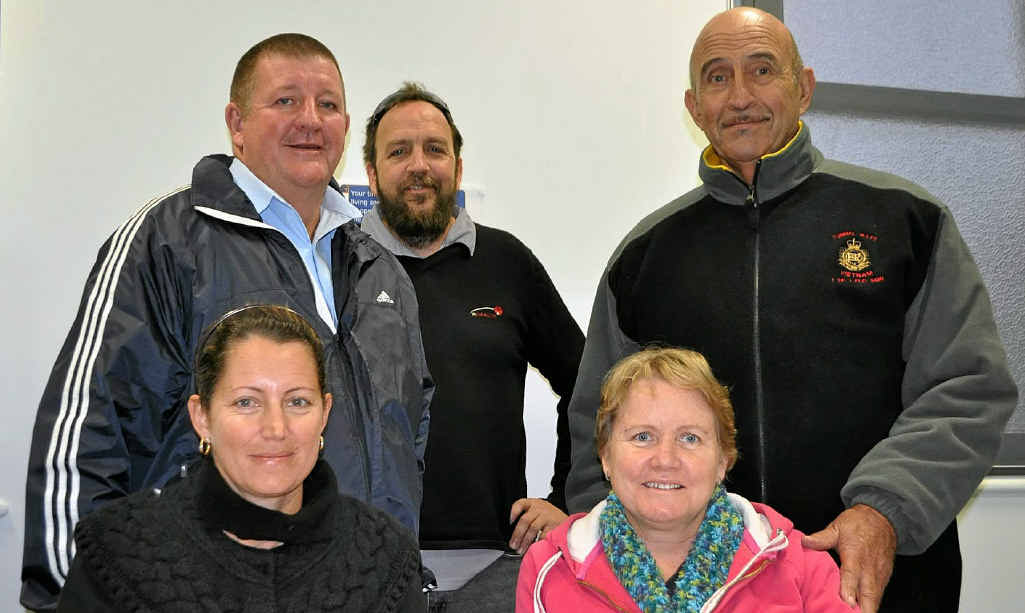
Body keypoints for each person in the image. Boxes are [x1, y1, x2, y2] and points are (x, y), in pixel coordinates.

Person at [563, 8, 1017, 613]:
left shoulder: (906, 220)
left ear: (803, 87)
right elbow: (598, 425)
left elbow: (967, 389)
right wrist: (616, 565)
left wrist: (885, 509)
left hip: (880, 579)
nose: (740, 96)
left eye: (762, 70)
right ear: (694, 107)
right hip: (708, 593)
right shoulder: (645, 255)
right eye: (717, 77)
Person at [22, 33, 433, 610]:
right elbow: (86, 433)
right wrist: (76, 594)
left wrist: (395, 580)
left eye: (328, 104)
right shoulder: (166, 242)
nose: (310, 120)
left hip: (359, 589)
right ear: (236, 124)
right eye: (286, 100)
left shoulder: (381, 270)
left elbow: (409, 438)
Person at [360, 82, 584, 611]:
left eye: (434, 149)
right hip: (366, 565)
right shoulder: (340, 267)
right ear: (372, 173)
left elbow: (591, 387)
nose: (419, 165)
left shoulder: (508, 262)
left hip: (496, 568)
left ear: (457, 168)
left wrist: (566, 501)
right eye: (399, 151)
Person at [56, 305, 424, 612]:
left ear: (324, 413)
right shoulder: (116, 553)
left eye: (298, 401)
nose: (276, 428)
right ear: (202, 417)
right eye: (246, 402)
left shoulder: (386, 557)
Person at [518, 347, 856, 612]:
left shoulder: (802, 566)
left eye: (690, 438)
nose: (665, 459)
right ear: (605, 457)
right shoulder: (548, 568)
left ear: (723, 461)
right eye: (642, 437)